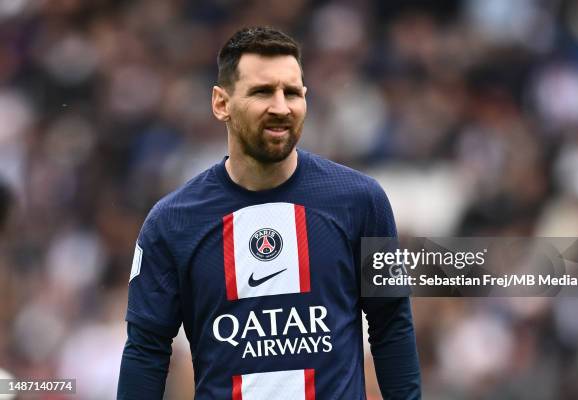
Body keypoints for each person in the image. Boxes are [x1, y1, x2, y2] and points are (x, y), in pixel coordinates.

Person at [117, 26, 420, 399]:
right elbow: (146, 351)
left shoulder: (362, 201)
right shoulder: (172, 223)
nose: (281, 107)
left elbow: (392, 324)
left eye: (292, 92)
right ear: (221, 103)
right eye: (262, 91)